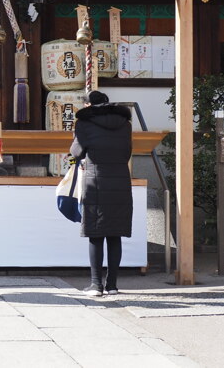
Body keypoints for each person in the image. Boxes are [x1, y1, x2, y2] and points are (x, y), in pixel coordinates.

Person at [70, 90, 133, 297]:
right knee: (115, 234)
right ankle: (113, 285)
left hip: (95, 180)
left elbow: (77, 152)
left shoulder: (84, 124)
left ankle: (96, 285)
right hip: (121, 181)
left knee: (96, 235)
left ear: (88, 106)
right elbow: (126, 152)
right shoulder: (125, 123)